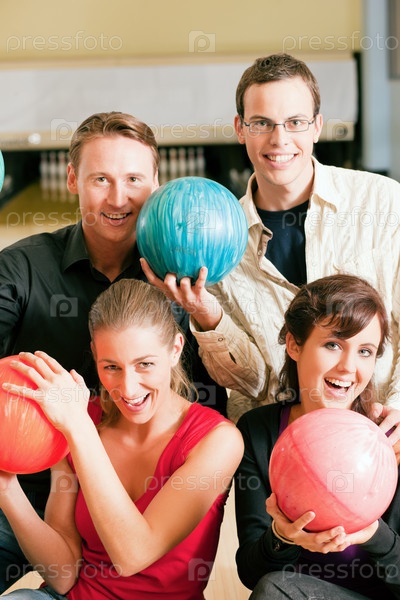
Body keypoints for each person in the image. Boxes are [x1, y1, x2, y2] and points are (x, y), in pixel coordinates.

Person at [0, 111, 227, 593]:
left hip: (138, 490)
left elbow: (226, 389)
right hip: (29, 478)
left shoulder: (188, 277)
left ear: (156, 182)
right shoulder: (20, 268)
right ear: (71, 179)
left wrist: (207, 319)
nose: (118, 198)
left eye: (133, 179)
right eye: (100, 179)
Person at [141, 53, 400, 425]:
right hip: (273, 442)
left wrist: (397, 409)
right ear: (240, 128)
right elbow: (253, 383)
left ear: (317, 127)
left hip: (378, 430)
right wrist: (205, 313)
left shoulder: (383, 202)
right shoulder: (213, 242)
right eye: (262, 123)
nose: (280, 139)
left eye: (295, 122)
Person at [0, 278, 244, 599]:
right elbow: (62, 576)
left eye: (145, 364)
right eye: (112, 366)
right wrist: (6, 487)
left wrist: (79, 429)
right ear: (95, 355)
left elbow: (133, 556)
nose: (128, 389)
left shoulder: (219, 441)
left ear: (175, 349)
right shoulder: (78, 419)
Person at [234, 274, 400, 600]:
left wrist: (372, 534)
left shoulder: (391, 437)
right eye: (333, 345)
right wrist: (282, 537)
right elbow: (251, 574)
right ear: (294, 345)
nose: (348, 367)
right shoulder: (259, 431)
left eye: (365, 351)